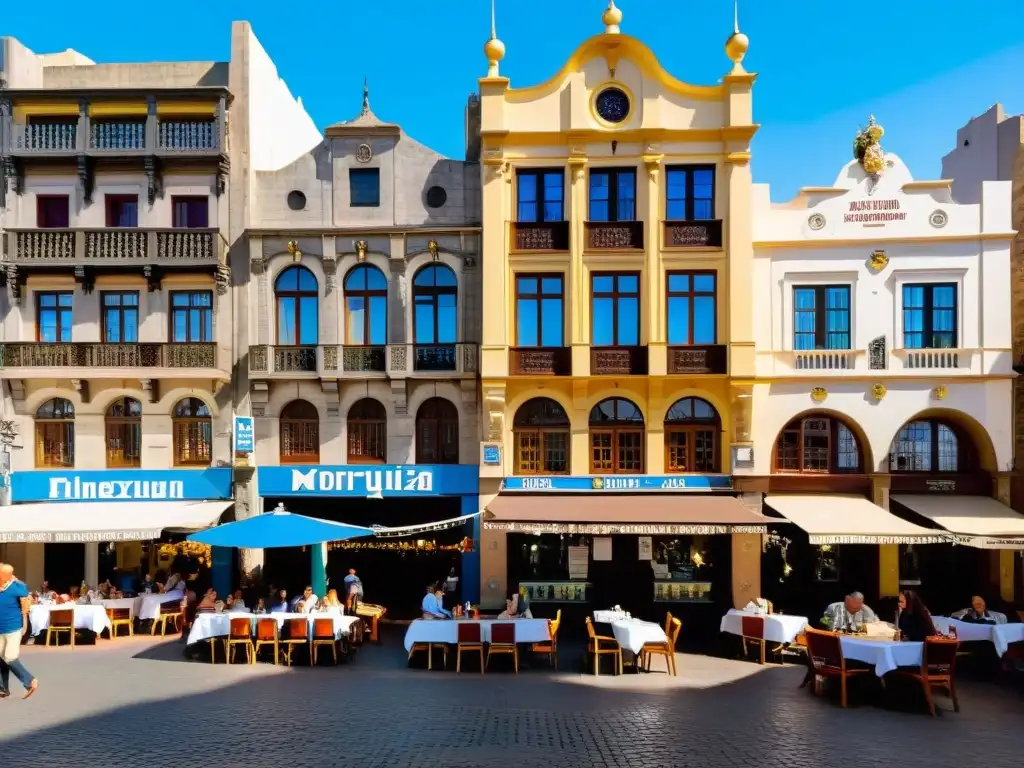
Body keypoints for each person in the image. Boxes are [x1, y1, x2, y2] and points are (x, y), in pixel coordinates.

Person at [0, 563, 38, 699]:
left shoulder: (17, 587)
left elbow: (25, 606)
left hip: (13, 628)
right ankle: (3, 688)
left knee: (10, 658)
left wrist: (25, 626)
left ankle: (29, 681)